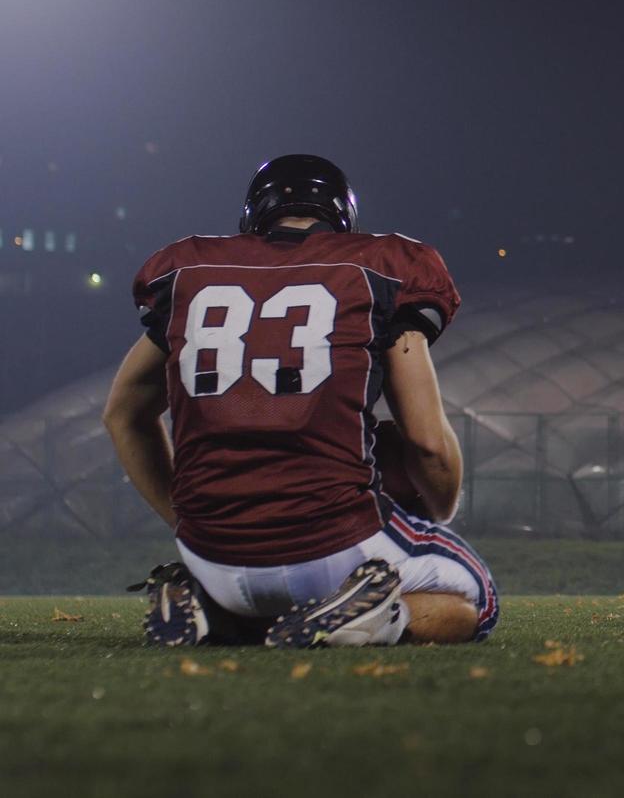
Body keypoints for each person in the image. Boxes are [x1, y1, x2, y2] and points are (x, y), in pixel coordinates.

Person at [102, 155, 498, 647]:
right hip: (333, 539)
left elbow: (123, 412)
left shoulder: (192, 272)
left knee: (254, 587)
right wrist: (437, 510)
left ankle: (210, 608)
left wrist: (185, 521)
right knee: (477, 601)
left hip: (211, 552)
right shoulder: (382, 269)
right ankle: (368, 618)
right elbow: (427, 444)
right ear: (342, 216)